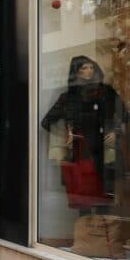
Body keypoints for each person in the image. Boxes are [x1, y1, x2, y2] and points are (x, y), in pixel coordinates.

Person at [41, 55, 126, 203]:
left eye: (91, 67)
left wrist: (116, 131)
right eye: (84, 68)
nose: (89, 71)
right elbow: (47, 122)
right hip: (80, 150)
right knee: (83, 197)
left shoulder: (105, 92)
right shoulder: (68, 97)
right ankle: (85, 224)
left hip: (103, 149)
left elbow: (124, 113)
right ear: (77, 72)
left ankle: (101, 224)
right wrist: (65, 134)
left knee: (104, 197)